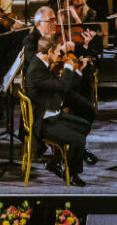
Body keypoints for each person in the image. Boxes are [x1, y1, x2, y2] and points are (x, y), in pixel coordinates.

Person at [25, 34, 93, 186]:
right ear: (49, 51)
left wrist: (78, 69)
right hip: (43, 122)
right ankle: (73, 174)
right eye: (57, 52)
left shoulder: (42, 63)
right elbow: (62, 86)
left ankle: (55, 162)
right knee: (79, 139)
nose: (59, 56)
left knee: (85, 125)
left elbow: (62, 88)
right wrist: (69, 66)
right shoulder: (37, 70)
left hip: (53, 114)